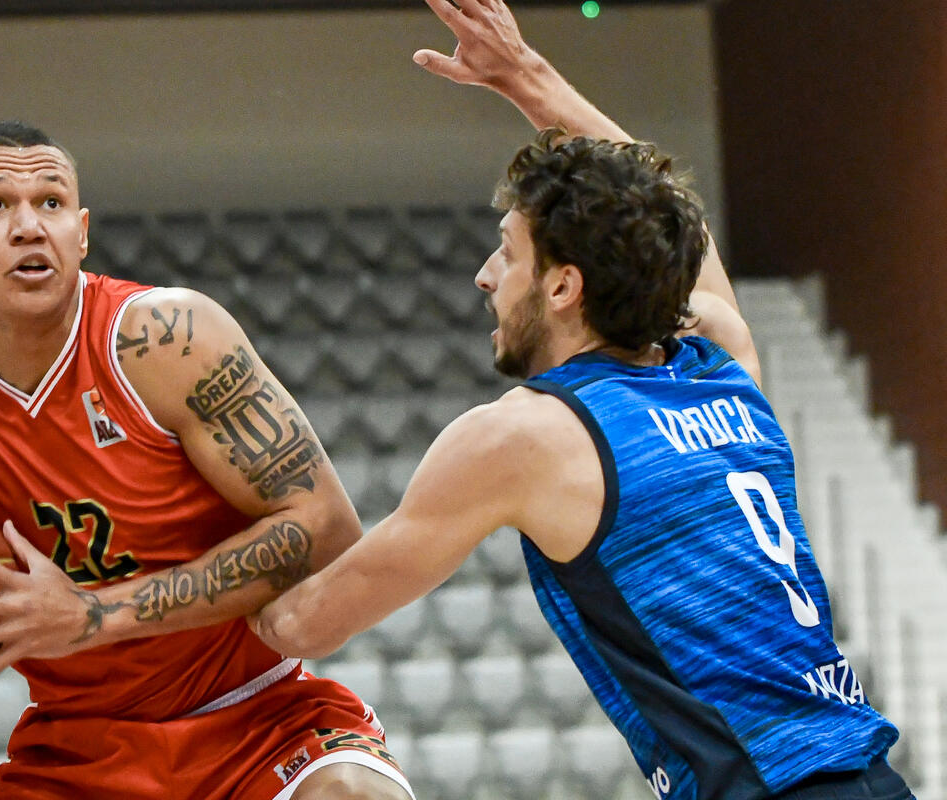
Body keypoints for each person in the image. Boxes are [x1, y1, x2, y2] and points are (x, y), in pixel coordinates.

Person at [252, 1, 913, 798]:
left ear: (564, 286)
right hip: (869, 776)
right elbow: (668, 218)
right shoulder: (723, 363)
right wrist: (522, 75)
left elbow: (305, 624)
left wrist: (175, 575)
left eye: (507, 253)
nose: (485, 277)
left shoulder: (530, 435)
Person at [0, 121, 414, 800]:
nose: (29, 227)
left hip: (253, 715)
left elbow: (328, 530)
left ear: (82, 232)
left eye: (51, 202)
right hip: (75, 747)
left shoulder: (166, 339)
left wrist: (91, 615)